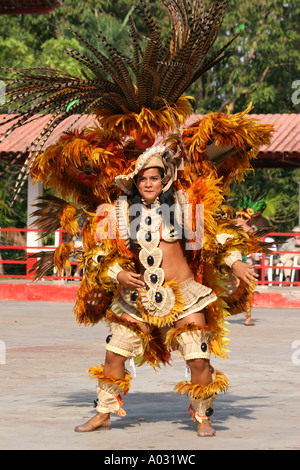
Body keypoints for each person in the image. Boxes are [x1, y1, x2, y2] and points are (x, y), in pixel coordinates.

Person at [74, 146, 258, 437]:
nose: (148, 184)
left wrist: (234, 262)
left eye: (154, 178)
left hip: (184, 295)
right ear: (136, 182)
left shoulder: (184, 206)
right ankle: (103, 413)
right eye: (143, 179)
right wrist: (119, 273)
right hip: (140, 299)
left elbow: (216, 235)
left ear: (164, 180)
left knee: (198, 356)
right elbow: (98, 253)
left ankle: (202, 417)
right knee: (114, 354)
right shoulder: (120, 212)